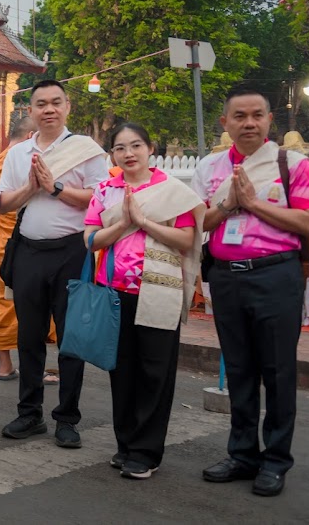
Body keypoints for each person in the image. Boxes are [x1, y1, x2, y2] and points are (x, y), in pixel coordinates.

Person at [193, 88, 309, 497]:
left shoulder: (291, 164)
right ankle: (243, 454)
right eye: (239, 116)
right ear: (225, 122)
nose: (249, 123)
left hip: (276, 276)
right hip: (226, 277)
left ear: (269, 120)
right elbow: (197, 223)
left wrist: (252, 203)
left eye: (257, 115)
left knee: (278, 371)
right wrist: (228, 204)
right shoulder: (209, 167)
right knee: (239, 369)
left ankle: (276, 460)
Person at [84, 123, 202, 478]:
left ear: (151, 148)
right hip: (114, 292)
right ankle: (126, 444)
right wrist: (122, 225)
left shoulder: (173, 192)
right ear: (113, 155)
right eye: (120, 148)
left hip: (159, 292)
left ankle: (146, 452)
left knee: (155, 372)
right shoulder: (105, 190)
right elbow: (90, 239)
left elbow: (186, 240)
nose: (129, 153)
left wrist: (142, 221)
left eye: (136, 145)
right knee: (121, 372)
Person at [0, 79, 108, 447]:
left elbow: (99, 199)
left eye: (55, 102)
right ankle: (29, 413)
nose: (49, 109)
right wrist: (32, 187)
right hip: (29, 252)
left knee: (70, 336)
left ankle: (67, 418)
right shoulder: (18, 154)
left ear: (67, 106)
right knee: (29, 336)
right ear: (30, 110)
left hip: (71, 252)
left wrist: (55, 188)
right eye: (41, 103)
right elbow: (5, 202)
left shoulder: (85, 150)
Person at [0, 117, 53, 382]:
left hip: (4, 242)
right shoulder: (27, 160)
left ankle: (5, 364)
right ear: (30, 136)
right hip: (27, 241)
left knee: (5, 298)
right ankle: (42, 367)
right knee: (40, 301)